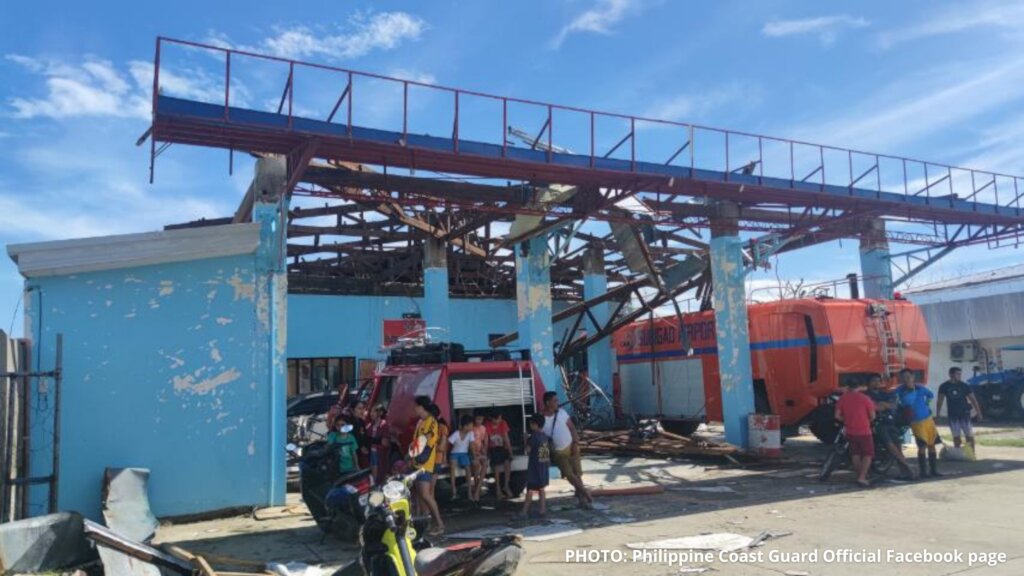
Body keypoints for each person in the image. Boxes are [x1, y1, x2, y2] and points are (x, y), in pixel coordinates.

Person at [541, 391, 593, 509]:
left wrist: (575, 443)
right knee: (569, 475)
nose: (557, 403)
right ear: (548, 403)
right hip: (558, 452)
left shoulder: (562, 413)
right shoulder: (542, 419)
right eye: (555, 401)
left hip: (571, 447)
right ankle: (585, 493)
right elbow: (542, 439)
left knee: (577, 474)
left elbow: (572, 428)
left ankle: (582, 500)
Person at [866, 374, 916, 479]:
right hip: (876, 424)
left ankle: (905, 471)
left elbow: (893, 405)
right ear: (868, 383)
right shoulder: (865, 395)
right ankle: (909, 469)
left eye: (878, 381)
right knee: (891, 447)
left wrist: (882, 404)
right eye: (874, 380)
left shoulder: (885, 394)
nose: (876, 383)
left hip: (890, 423)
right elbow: (875, 408)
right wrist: (882, 405)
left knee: (897, 447)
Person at [897, 368, 942, 478]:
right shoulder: (900, 391)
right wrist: (902, 407)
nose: (906, 379)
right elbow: (894, 400)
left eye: (908, 377)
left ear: (913, 377)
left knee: (932, 444)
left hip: (928, 419)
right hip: (916, 422)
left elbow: (930, 395)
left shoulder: (921, 388)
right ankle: (923, 472)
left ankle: (933, 470)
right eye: (903, 377)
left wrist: (927, 404)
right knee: (922, 446)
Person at [411, 395, 444, 535]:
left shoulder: (431, 422)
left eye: (416, 406)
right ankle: (427, 524)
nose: (414, 409)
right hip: (417, 463)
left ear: (421, 407)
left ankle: (440, 524)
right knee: (420, 495)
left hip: (425, 464)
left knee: (426, 495)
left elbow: (427, 441)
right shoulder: (421, 422)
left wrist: (415, 451)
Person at [835, 379, 877, 487]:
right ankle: (862, 477)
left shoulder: (842, 399)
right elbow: (873, 416)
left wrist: (846, 420)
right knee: (868, 454)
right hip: (864, 430)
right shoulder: (865, 398)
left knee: (855, 454)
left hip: (850, 430)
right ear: (858, 387)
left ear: (848, 387)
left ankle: (860, 476)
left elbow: (837, 416)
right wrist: (866, 421)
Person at [937, 367, 983, 454]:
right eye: (957, 374)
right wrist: (938, 414)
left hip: (964, 414)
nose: (959, 376)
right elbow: (940, 400)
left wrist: (979, 412)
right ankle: (958, 453)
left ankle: (972, 454)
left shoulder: (964, 386)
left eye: (960, 374)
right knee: (956, 436)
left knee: (969, 435)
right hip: (953, 415)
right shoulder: (944, 386)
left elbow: (973, 400)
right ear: (951, 374)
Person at [521, 413, 550, 519]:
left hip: (534, 468)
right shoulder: (544, 436)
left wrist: (525, 440)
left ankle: (524, 512)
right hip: (543, 468)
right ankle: (542, 509)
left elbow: (528, 450)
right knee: (541, 489)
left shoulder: (534, 436)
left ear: (535, 424)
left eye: (531, 424)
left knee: (530, 490)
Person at [448, 415, 476, 501]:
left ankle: (469, 492)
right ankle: (454, 491)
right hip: (455, 453)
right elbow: (448, 444)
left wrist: (474, 457)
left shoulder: (471, 434)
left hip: (464, 453)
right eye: (471, 425)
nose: (472, 426)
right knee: (452, 468)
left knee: (468, 469)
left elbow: (471, 446)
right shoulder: (456, 433)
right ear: (465, 426)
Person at [486, 412, 513, 499]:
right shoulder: (487, 425)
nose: (499, 420)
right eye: (497, 419)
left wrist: (510, 451)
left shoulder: (503, 423)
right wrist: (486, 453)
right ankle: (498, 488)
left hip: (502, 447)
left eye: (500, 418)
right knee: (496, 466)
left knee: (507, 462)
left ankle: (506, 485)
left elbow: (506, 438)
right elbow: (487, 440)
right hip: (492, 448)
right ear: (491, 418)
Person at [470, 412, 489, 502]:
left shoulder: (483, 428)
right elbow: (470, 443)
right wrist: (474, 453)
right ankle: (477, 489)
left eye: (481, 419)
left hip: (479, 452)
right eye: (477, 419)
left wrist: (484, 450)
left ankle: (477, 489)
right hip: (472, 452)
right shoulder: (471, 428)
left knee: (485, 463)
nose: (479, 421)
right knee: (476, 465)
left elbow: (485, 440)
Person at [368, 404, 388, 483]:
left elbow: (385, 442)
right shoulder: (370, 425)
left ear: (379, 413)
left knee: (377, 469)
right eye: (371, 411)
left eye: (374, 412)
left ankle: (375, 484)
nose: (371, 414)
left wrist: (376, 441)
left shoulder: (383, 425)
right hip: (371, 452)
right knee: (372, 468)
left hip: (379, 453)